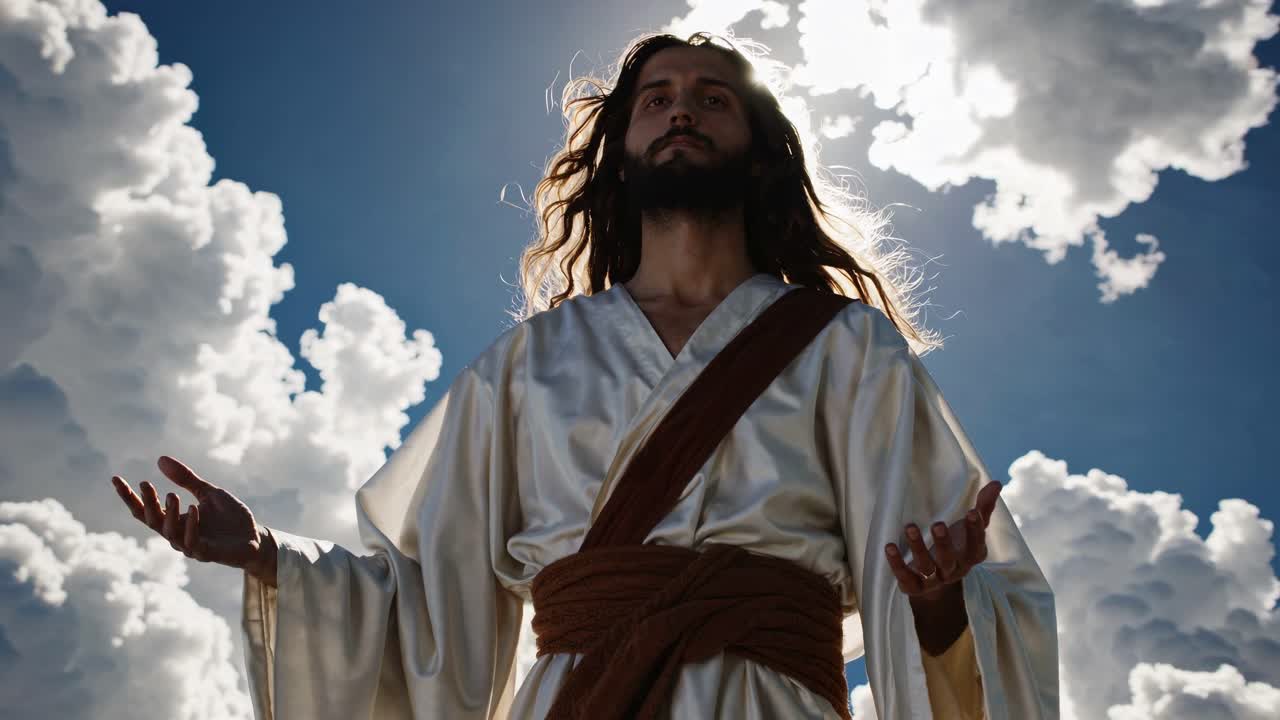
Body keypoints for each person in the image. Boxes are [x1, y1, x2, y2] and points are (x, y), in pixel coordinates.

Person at [111, 31, 1058, 719]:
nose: (682, 106)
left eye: (713, 96)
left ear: (761, 152)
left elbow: (964, 575)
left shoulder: (848, 347)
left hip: (770, 700)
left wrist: (942, 606)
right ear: (620, 152)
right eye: (657, 96)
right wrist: (268, 554)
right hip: (576, 697)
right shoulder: (531, 363)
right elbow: (430, 597)